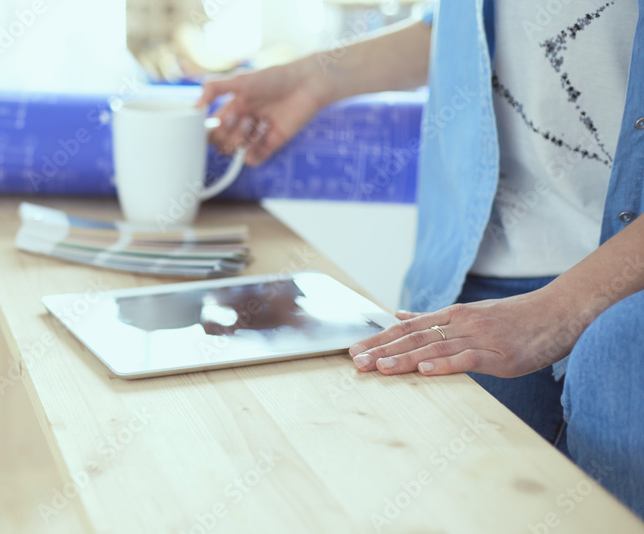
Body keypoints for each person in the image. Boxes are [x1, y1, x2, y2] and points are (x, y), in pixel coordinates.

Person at [198, 0, 644, 519]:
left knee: (616, 368)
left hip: (620, 292)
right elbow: (470, 32)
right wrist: (312, 78)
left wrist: (560, 312)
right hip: (490, 275)